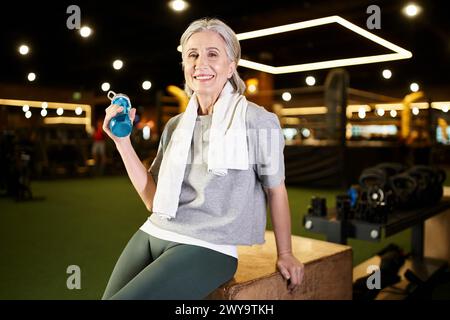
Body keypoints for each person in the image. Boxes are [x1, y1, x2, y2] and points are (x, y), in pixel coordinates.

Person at [101, 18, 304, 300]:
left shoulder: (259, 121)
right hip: (153, 231)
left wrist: (286, 253)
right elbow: (153, 200)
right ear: (184, 65)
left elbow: (276, 189)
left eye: (212, 54)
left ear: (231, 66)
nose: (200, 63)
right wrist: (122, 143)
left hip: (209, 246)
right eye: (192, 55)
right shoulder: (175, 126)